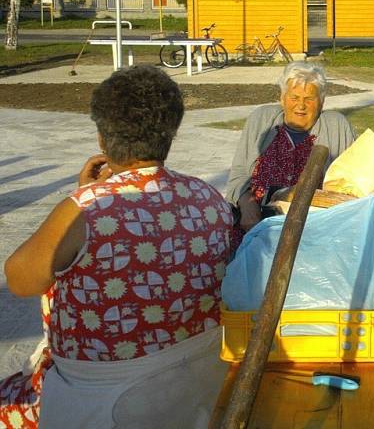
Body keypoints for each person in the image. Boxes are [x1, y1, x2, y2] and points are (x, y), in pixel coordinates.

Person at [1, 66, 233, 428]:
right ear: (171, 131)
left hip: (100, 397)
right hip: (194, 385)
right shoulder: (209, 197)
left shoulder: (86, 208)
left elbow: (20, 279)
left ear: (102, 139)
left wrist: (79, 196)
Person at [225, 61, 355, 234]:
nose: (301, 106)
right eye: (294, 98)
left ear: (322, 102)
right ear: (282, 98)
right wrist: (247, 206)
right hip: (256, 223)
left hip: (315, 227)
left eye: (309, 99)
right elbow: (239, 173)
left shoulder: (336, 125)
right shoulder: (261, 119)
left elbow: (352, 185)